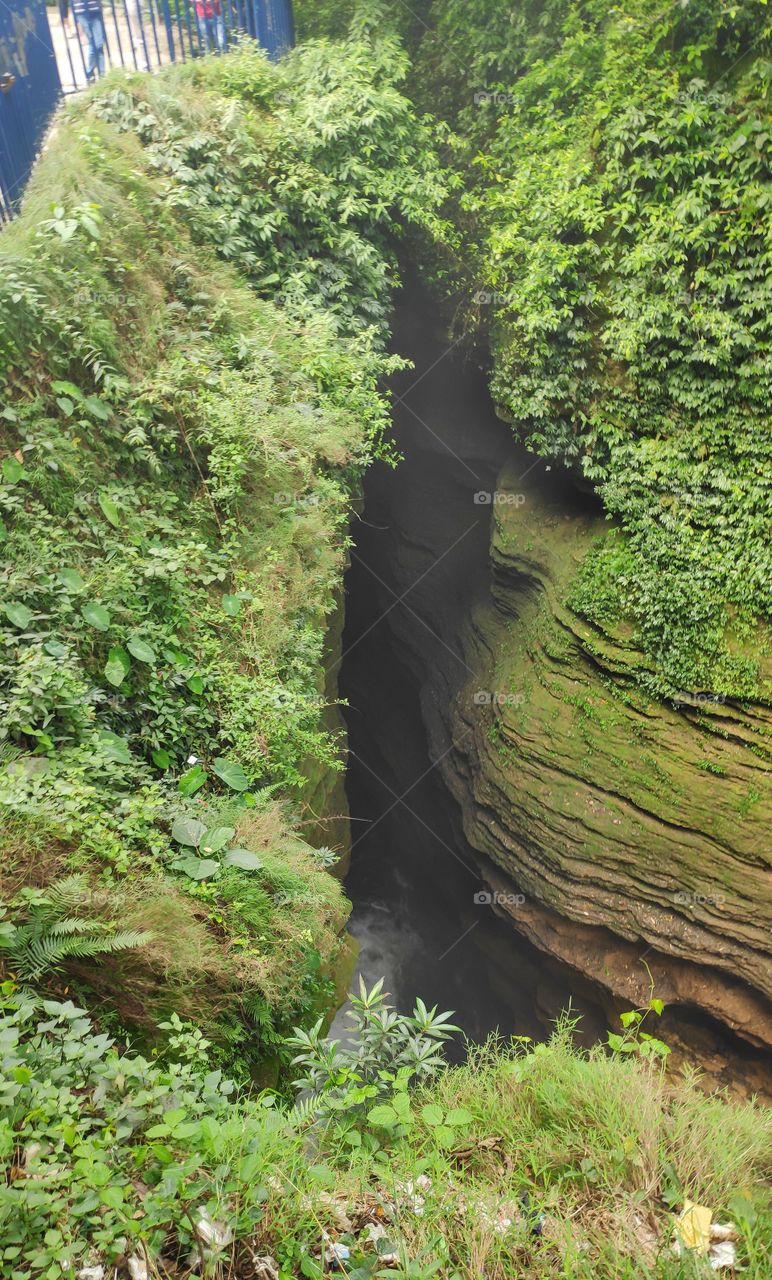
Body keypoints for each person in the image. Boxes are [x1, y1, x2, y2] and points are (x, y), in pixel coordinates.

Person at [61, 0, 107, 81]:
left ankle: (96, 74)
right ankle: (96, 74)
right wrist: (65, 17)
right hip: (82, 12)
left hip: (95, 10)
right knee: (94, 44)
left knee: (98, 44)